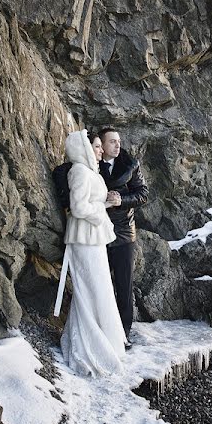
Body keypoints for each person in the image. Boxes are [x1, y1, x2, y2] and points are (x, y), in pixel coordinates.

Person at [56, 129, 127, 376]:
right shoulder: (79, 171)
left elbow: (90, 202)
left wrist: (107, 202)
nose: (100, 150)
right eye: (96, 146)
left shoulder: (89, 171)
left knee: (98, 289)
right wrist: (100, 213)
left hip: (92, 238)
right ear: (85, 149)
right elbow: (78, 207)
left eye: (99, 146)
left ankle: (102, 341)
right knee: (91, 290)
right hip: (83, 238)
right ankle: (89, 348)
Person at [98, 127, 148, 344]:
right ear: (101, 145)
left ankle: (123, 335)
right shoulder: (92, 164)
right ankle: (102, 331)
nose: (117, 145)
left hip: (124, 233)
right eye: (112, 142)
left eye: (118, 141)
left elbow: (143, 194)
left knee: (124, 285)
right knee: (101, 284)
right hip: (98, 231)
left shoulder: (130, 164)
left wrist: (122, 200)